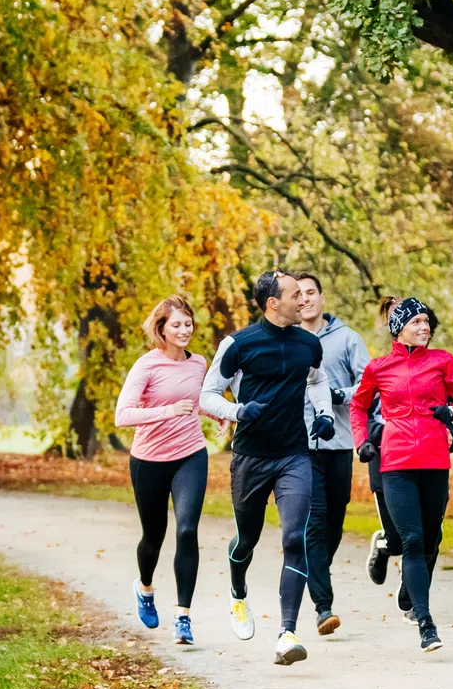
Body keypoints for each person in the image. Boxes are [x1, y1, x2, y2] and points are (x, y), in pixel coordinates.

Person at [199, 271, 336, 666]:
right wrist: (239, 411)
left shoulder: (308, 344)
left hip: (294, 455)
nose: (304, 301)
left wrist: (324, 415)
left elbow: (317, 379)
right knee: (247, 540)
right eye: (296, 295)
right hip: (251, 458)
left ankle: (287, 633)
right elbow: (207, 395)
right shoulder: (239, 345)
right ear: (274, 303)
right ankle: (238, 593)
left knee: (296, 537)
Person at [349, 297, 453, 652]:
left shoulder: (443, 361)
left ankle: (410, 590)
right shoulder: (379, 368)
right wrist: (362, 442)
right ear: (399, 327)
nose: (424, 327)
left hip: (435, 460)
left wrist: (450, 413)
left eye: (427, 322)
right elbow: (359, 407)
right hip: (396, 463)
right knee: (412, 540)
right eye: (417, 322)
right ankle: (425, 623)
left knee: (432, 537)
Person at [113, 296, 210, 646]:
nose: (184, 330)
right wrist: (168, 411)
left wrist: (229, 415)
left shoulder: (199, 363)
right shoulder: (146, 366)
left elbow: (200, 402)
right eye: (176, 325)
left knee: (186, 530)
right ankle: (145, 586)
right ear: (161, 329)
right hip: (149, 461)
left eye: (188, 324)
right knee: (153, 536)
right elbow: (122, 415)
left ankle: (183, 617)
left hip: (190, 456)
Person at [292, 272, 371, 637]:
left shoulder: (348, 339)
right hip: (298, 445)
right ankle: (323, 606)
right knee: (315, 522)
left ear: (322, 298)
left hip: (339, 443)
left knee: (334, 523)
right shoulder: (286, 340)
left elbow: (370, 387)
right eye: (298, 294)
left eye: (310, 293)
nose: (304, 299)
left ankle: (316, 569)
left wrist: (340, 395)